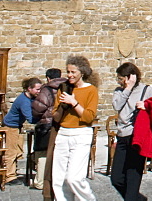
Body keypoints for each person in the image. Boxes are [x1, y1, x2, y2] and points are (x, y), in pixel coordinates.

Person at [53, 54, 99, 201]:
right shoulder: (64, 88)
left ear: (82, 73)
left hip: (81, 134)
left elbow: (88, 117)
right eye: (68, 71)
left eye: (73, 72)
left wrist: (74, 102)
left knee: (74, 178)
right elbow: (55, 115)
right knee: (59, 180)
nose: (69, 75)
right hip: (63, 134)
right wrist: (62, 106)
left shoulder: (91, 90)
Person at [110, 61, 152, 201]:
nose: (119, 81)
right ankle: (138, 199)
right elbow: (117, 106)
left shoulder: (146, 90)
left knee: (132, 178)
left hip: (137, 137)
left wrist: (146, 105)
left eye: (121, 78)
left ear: (131, 76)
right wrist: (127, 88)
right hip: (122, 138)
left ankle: (133, 197)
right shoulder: (119, 91)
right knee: (116, 178)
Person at [31, 68, 64, 192]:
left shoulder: (47, 90)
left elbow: (37, 109)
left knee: (42, 154)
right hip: (62, 125)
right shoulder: (67, 87)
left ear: (48, 78)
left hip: (47, 126)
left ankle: (40, 181)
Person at [3, 76, 42, 183]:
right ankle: (9, 177)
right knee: (11, 152)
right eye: (37, 89)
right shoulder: (24, 101)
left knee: (18, 151)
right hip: (10, 127)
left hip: (17, 126)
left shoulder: (30, 98)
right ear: (29, 89)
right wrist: (42, 119)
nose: (39, 91)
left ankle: (12, 172)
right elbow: (30, 119)